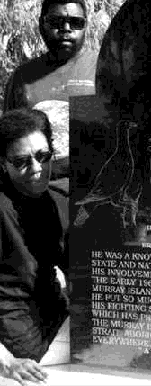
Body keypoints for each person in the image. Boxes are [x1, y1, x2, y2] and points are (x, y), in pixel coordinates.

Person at [4, 0, 98, 195]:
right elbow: (9, 145)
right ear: (41, 24)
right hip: (37, 197)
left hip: (92, 198)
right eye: (56, 22)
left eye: (76, 22)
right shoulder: (23, 77)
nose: (66, 29)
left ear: (85, 27)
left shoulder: (105, 70)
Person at [0, 108, 69, 384]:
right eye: (21, 161)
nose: (37, 169)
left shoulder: (57, 201)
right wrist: (5, 363)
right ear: (2, 163)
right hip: (21, 353)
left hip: (59, 325)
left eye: (43, 156)